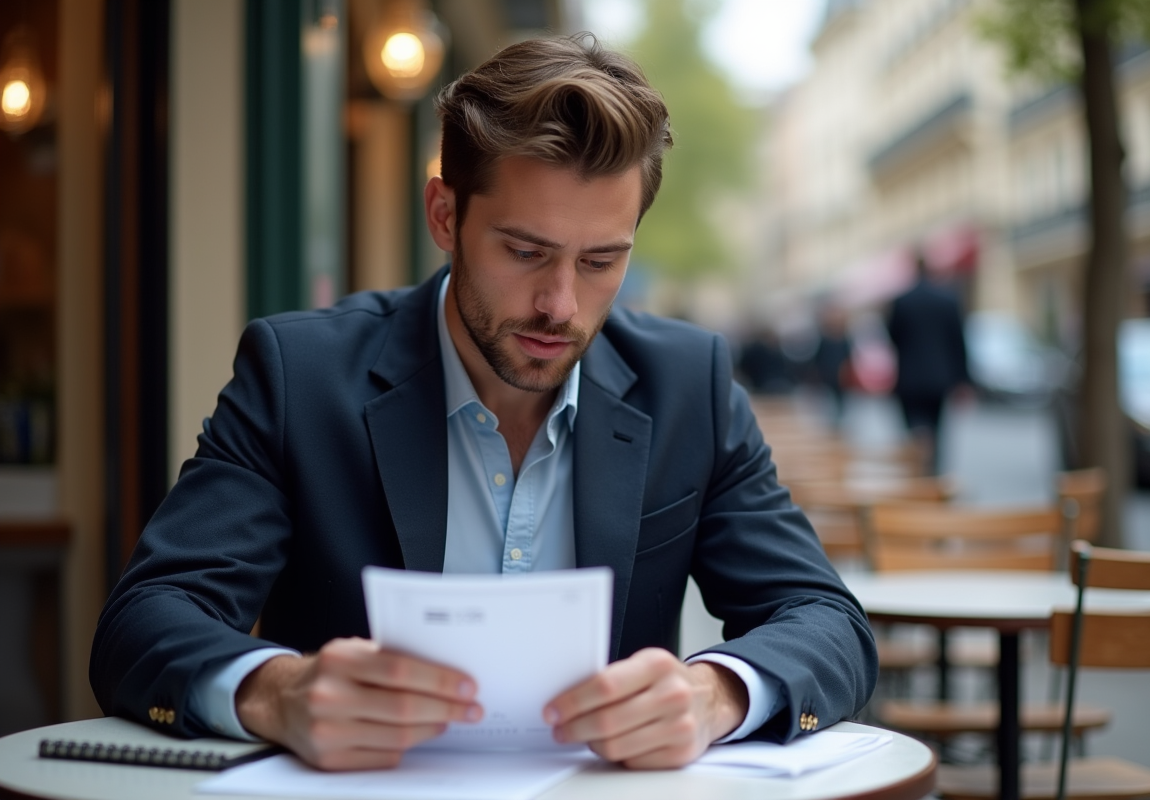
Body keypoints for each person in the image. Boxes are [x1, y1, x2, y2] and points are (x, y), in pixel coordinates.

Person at [90, 34, 876, 772]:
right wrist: (277, 693)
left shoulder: (688, 386)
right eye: (525, 252)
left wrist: (716, 695)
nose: (560, 304)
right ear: (445, 216)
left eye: (602, 260)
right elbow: (144, 622)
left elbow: (825, 620)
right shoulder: (299, 375)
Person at [885, 255, 971, 473]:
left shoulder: (902, 301)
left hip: (909, 379)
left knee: (914, 428)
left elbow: (893, 337)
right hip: (939, 379)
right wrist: (963, 379)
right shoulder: (947, 300)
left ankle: (917, 469)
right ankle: (933, 472)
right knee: (937, 429)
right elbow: (958, 341)